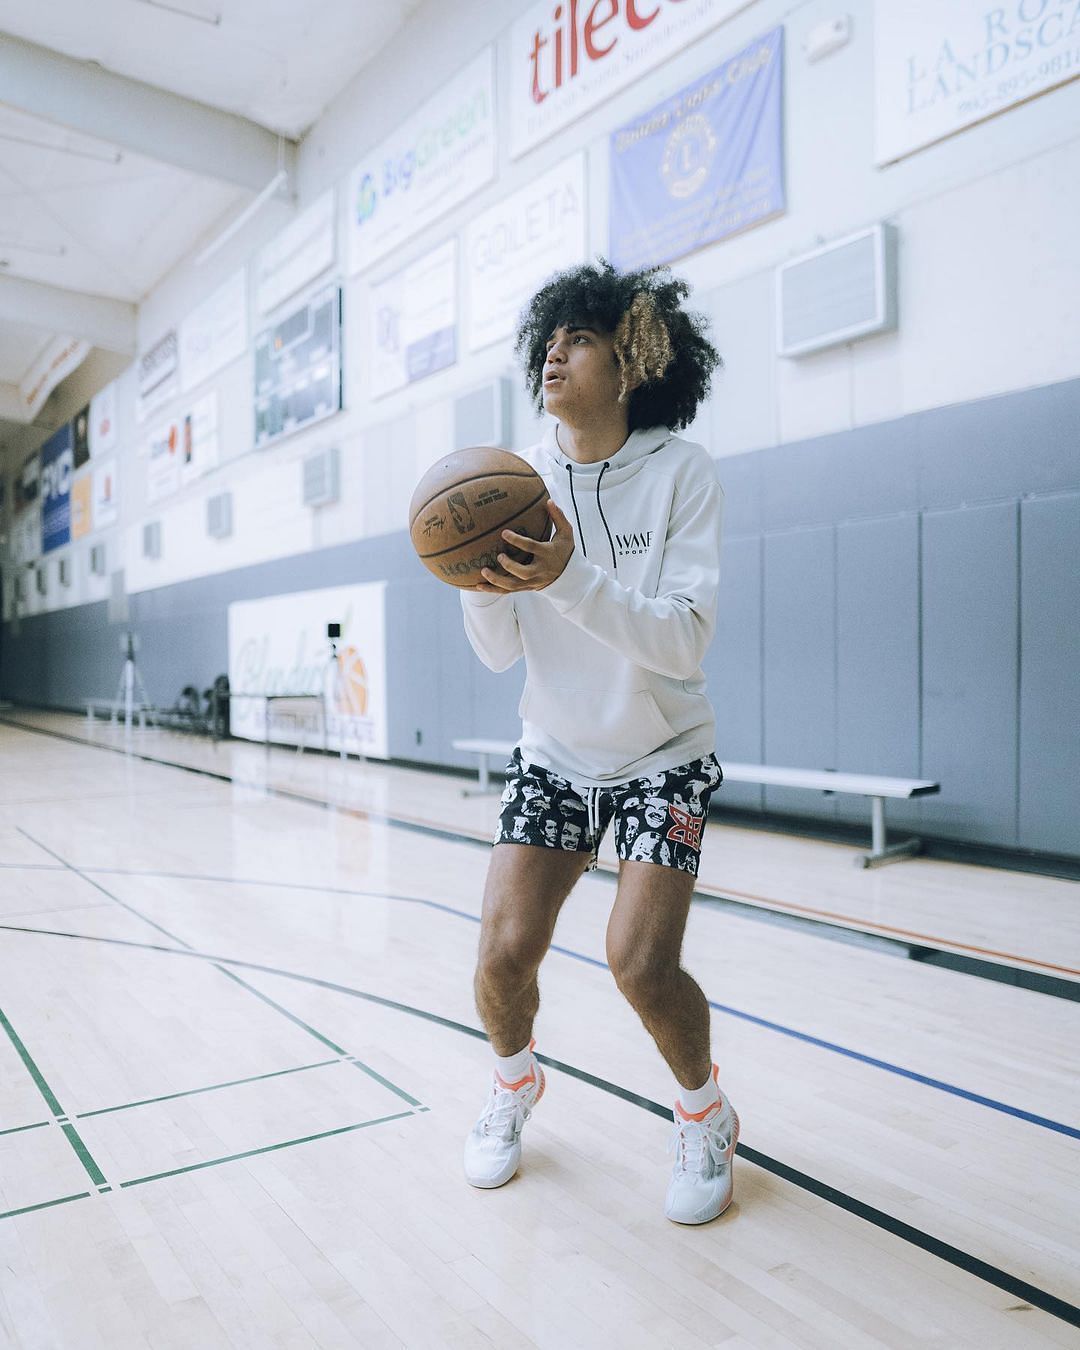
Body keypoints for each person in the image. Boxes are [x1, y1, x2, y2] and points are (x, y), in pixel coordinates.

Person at [459, 259, 735, 1225]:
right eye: (550, 338)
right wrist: (476, 578)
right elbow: (499, 655)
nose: (554, 354)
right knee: (501, 954)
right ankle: (512, 1083)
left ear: (633, 361)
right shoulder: (510, 480)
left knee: (639, 963)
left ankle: (703, 1109)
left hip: (665, 753)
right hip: (556, 753)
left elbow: (683, 639)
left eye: (578, 339)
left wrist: (570, 577)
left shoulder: (682, 474)